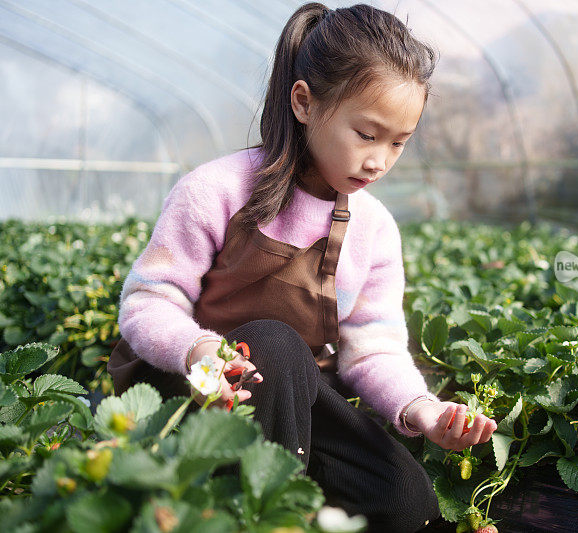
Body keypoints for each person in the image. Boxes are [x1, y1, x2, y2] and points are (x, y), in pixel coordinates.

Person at [108, 3, 498, 532]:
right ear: (304, 103)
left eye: (399, 143)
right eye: (367, 134)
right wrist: (200, 352)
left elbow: (373, 346)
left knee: (405, 501)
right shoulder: (214, 191)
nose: (380, 160)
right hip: (190, 397)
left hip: (293, 402)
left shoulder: (374, 227)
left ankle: (285, 491)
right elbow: (149, 301)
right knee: (274, 343)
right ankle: (257, 516)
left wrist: (421, 410)